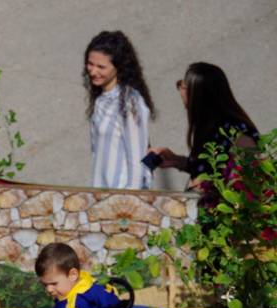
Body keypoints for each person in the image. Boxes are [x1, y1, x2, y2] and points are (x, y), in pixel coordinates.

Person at [147, 62, 258, 195]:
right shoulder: (208, 125)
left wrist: (206, 187)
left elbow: (252, 183)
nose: (180, 91)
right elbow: (207, 167)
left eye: (183, 86)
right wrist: (178, 161)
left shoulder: (238, 136)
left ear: (198, 96)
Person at [84, 30, 155, 190]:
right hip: (100, 194)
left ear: (118, 67)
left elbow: (138, 159)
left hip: (122, 200)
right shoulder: (101, 98)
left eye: (101, 67)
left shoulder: (130, 102)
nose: (93, 71)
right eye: (90, 64)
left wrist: (130, 203)